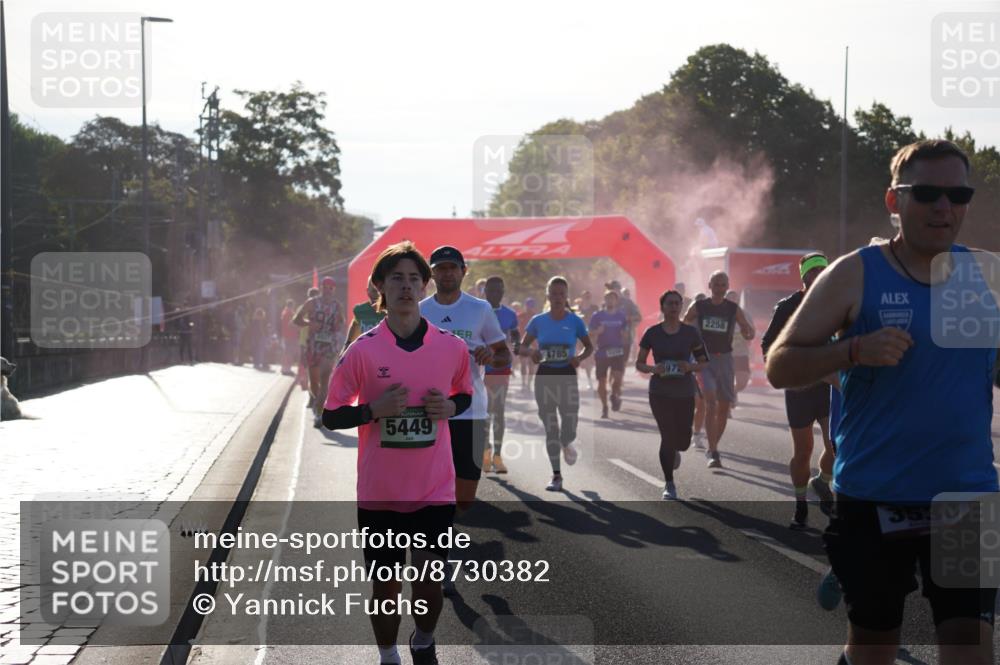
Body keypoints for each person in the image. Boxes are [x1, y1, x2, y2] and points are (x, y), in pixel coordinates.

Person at [767, 139, 998, 665]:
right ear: (895, 201)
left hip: (967, 499)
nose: (945, 206)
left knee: (971, 651)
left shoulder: (987, 276)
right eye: (928, 193)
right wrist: (852, 350)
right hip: (875, 499)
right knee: (874, 649)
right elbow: (781, 365)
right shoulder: (856, 273)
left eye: (957, 193)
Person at [322, 241, 473, 665]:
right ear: (380, 289)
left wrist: (450, 408)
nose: (406, 287)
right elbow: (331, 415)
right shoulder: (363, 350)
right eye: (396, 279)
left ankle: (423, 641)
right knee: (386, 587)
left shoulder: (451, 348)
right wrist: (372, 411)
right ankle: (387, 655)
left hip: (433, 489)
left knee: (428, 582)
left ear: (424, 287)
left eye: (413, 279)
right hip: (380, 493)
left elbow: (463, 393)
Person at [419, 246, 510, 513]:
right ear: (432, 274)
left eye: (452, 267)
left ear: (463, 271)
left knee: (465, 496)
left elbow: (504, 355)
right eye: (441, 268)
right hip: (429, 410)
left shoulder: (480, 309)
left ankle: (447, 525)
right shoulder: (419, 310)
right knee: (429, 487)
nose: (447, 273)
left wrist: (491, 355)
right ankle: (438, 537)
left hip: (471, 412)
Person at [760, 253, 836, 530]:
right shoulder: (787, 307)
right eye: (814, 273)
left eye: (823, 272)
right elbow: (768, 344)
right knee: (803, 450)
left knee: (835, 445)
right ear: (804, 277)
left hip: (828, 385)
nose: (819, 277)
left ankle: (823, 482)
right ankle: (801, 503)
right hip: (799, 387)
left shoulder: (836, 302)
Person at [518, 276, 594, 492]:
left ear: (566, 296)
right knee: (551, 428)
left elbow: (589, 347)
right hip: (545, 376)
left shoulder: (575, 321)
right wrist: (532, 352)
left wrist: (579, 357)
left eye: (562, 294)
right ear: (548, 296)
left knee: (570, 424)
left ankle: (567, 441)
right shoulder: (538, 321)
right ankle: (556, 476)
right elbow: (521, 347)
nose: (558, 297)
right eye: (554, 293)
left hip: (567, 375)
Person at [635, 290, 709, 499]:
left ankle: (676, 449)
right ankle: (669, 484)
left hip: (684, 392)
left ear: (681, 307)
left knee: (683, 441)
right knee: (667, 436)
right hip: (659, 392)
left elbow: (704, 362)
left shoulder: (690, 333)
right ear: (663, 307)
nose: (674, 307)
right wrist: (652, 369)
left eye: (677, 303)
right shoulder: (652, 333)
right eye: (670, 303)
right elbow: (639, 362)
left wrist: (689, 366)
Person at [683, 272, 755, 468]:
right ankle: (713, 451)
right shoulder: (699, 306)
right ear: (710, 285)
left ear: (727, 286)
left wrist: (749, 333)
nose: (720, 288)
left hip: (725, 359)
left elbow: (748, 329)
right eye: (716, 284)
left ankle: (712, 444)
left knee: (724, 406)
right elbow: (684, 323)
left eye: (723, 285)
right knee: (711, 402)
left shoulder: (733, 308)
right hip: (704, 360)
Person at [294, 276, 345, 428]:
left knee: (325, 381)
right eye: (325, 287)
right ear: (321, 287)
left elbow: (341, 322)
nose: (328, 290)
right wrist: (309, 323)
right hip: (314, 347)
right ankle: (318, 403)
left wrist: (337, 326)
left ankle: (319, 414)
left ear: (334, 290)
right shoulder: (311, 303)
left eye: (331, 288)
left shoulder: (337, 305)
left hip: (330, 347)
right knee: (314, 382)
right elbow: (296, 319)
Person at [482, 276, 520, 474]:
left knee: (499, 411)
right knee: (485, 412)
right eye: (491, 290)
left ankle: (497, 455)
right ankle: (486, 451)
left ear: (503, 293)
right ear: (485, 291)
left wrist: (518, 344)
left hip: (501, 369)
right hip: (480, 370)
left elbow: (515, 333)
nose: (495, 294)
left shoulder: (509, 314)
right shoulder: (477, 310)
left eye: (499, 291)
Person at [589, 290, 629, 418]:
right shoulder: (597, 316)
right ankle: (605, 407)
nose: (610, 301)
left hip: (617, 351)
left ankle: (614, 395)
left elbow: (626, 331)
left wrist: (625, 333)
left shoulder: (621, 316)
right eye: (608, 298)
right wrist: (597, 331)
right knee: (602, 382)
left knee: (617, 379)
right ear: (604, 300)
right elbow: (589, 332)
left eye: (613, 298)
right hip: (602, 351)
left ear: (616, 301)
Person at [605, 280, 642, 366]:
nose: (609, 291)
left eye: (611, 288)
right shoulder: (606, 303)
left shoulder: (627, 302)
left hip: (624, 339)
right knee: (613, 364)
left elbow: (639, 317)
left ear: (618, 289)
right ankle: (615, 377)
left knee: (622, 364)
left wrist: (627, 318)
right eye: (608, 289)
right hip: (610, 339)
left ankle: (618, 377)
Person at [726, 290, 752, 405]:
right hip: (725, 353)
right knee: (727, 380)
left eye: (734, 298)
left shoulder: (745, 314)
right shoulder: (721, 313)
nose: (732, 300)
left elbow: (752, 332)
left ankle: (733, 391)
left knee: (743, 382)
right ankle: (726, 404)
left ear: (737, 299)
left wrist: (748, 335)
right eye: (730, 298)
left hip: (741, 352)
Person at [345, 279, 386, 349]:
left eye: (378, 291)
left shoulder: (390, 311)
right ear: (367, 291)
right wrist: (346, 347)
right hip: (365, 352)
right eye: (373, 290)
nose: (376, 293)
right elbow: (354, 326)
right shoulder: (360, 310)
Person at [691, 293, 708, 449]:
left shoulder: (710, 322)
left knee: (702, 403)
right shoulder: (687, 323)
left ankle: (697, 435)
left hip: (704, 367)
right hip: (686, 367)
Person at [297, 287, 318, 394]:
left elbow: (296, 322)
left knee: (306, 364)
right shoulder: (317, 307)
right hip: (309, 340)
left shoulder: (302, 307)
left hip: (305, 340)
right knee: (308, 365)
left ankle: (305, 385)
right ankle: (307, 386)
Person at [517, 298, 539, 390]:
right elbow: (516, 329)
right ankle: (523, 383)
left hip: (534, 343)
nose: (529, 308)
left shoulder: (537, 317)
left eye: (531, 306)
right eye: (528, 306)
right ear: (525, 306)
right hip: (523, 343)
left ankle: (528, 384)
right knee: (523, 364)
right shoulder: (520, 316)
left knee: (531, 364)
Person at [279, 298, 299, 375]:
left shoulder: (284, 312)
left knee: (286, 352)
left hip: (285, 335)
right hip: (291, 335)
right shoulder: (290, 313)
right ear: (292, 305)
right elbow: (292, 324)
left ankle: (284, 368)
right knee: (290, 352)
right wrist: (298, 328)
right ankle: (287, 369)